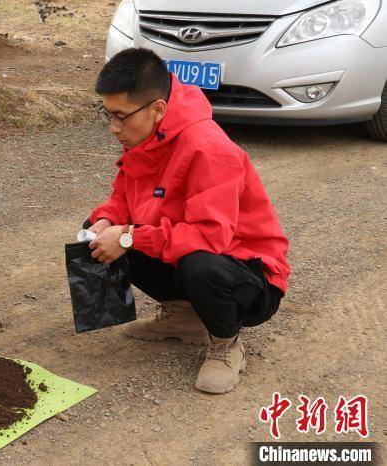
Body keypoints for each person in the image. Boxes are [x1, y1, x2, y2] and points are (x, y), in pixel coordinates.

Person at [85, 48, 291, 394]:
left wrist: (127, 237)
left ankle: (226, 343)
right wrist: (107, 221)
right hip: (196, 250)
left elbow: (210, 238)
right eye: (107, 115)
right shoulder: (146, 135)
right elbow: (123, 198)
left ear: (158, 109)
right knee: (100, 234)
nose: (112, 128)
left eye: (120, 116)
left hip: (249, 273)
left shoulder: (208, 148)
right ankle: (185, 317)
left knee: (197, 264)